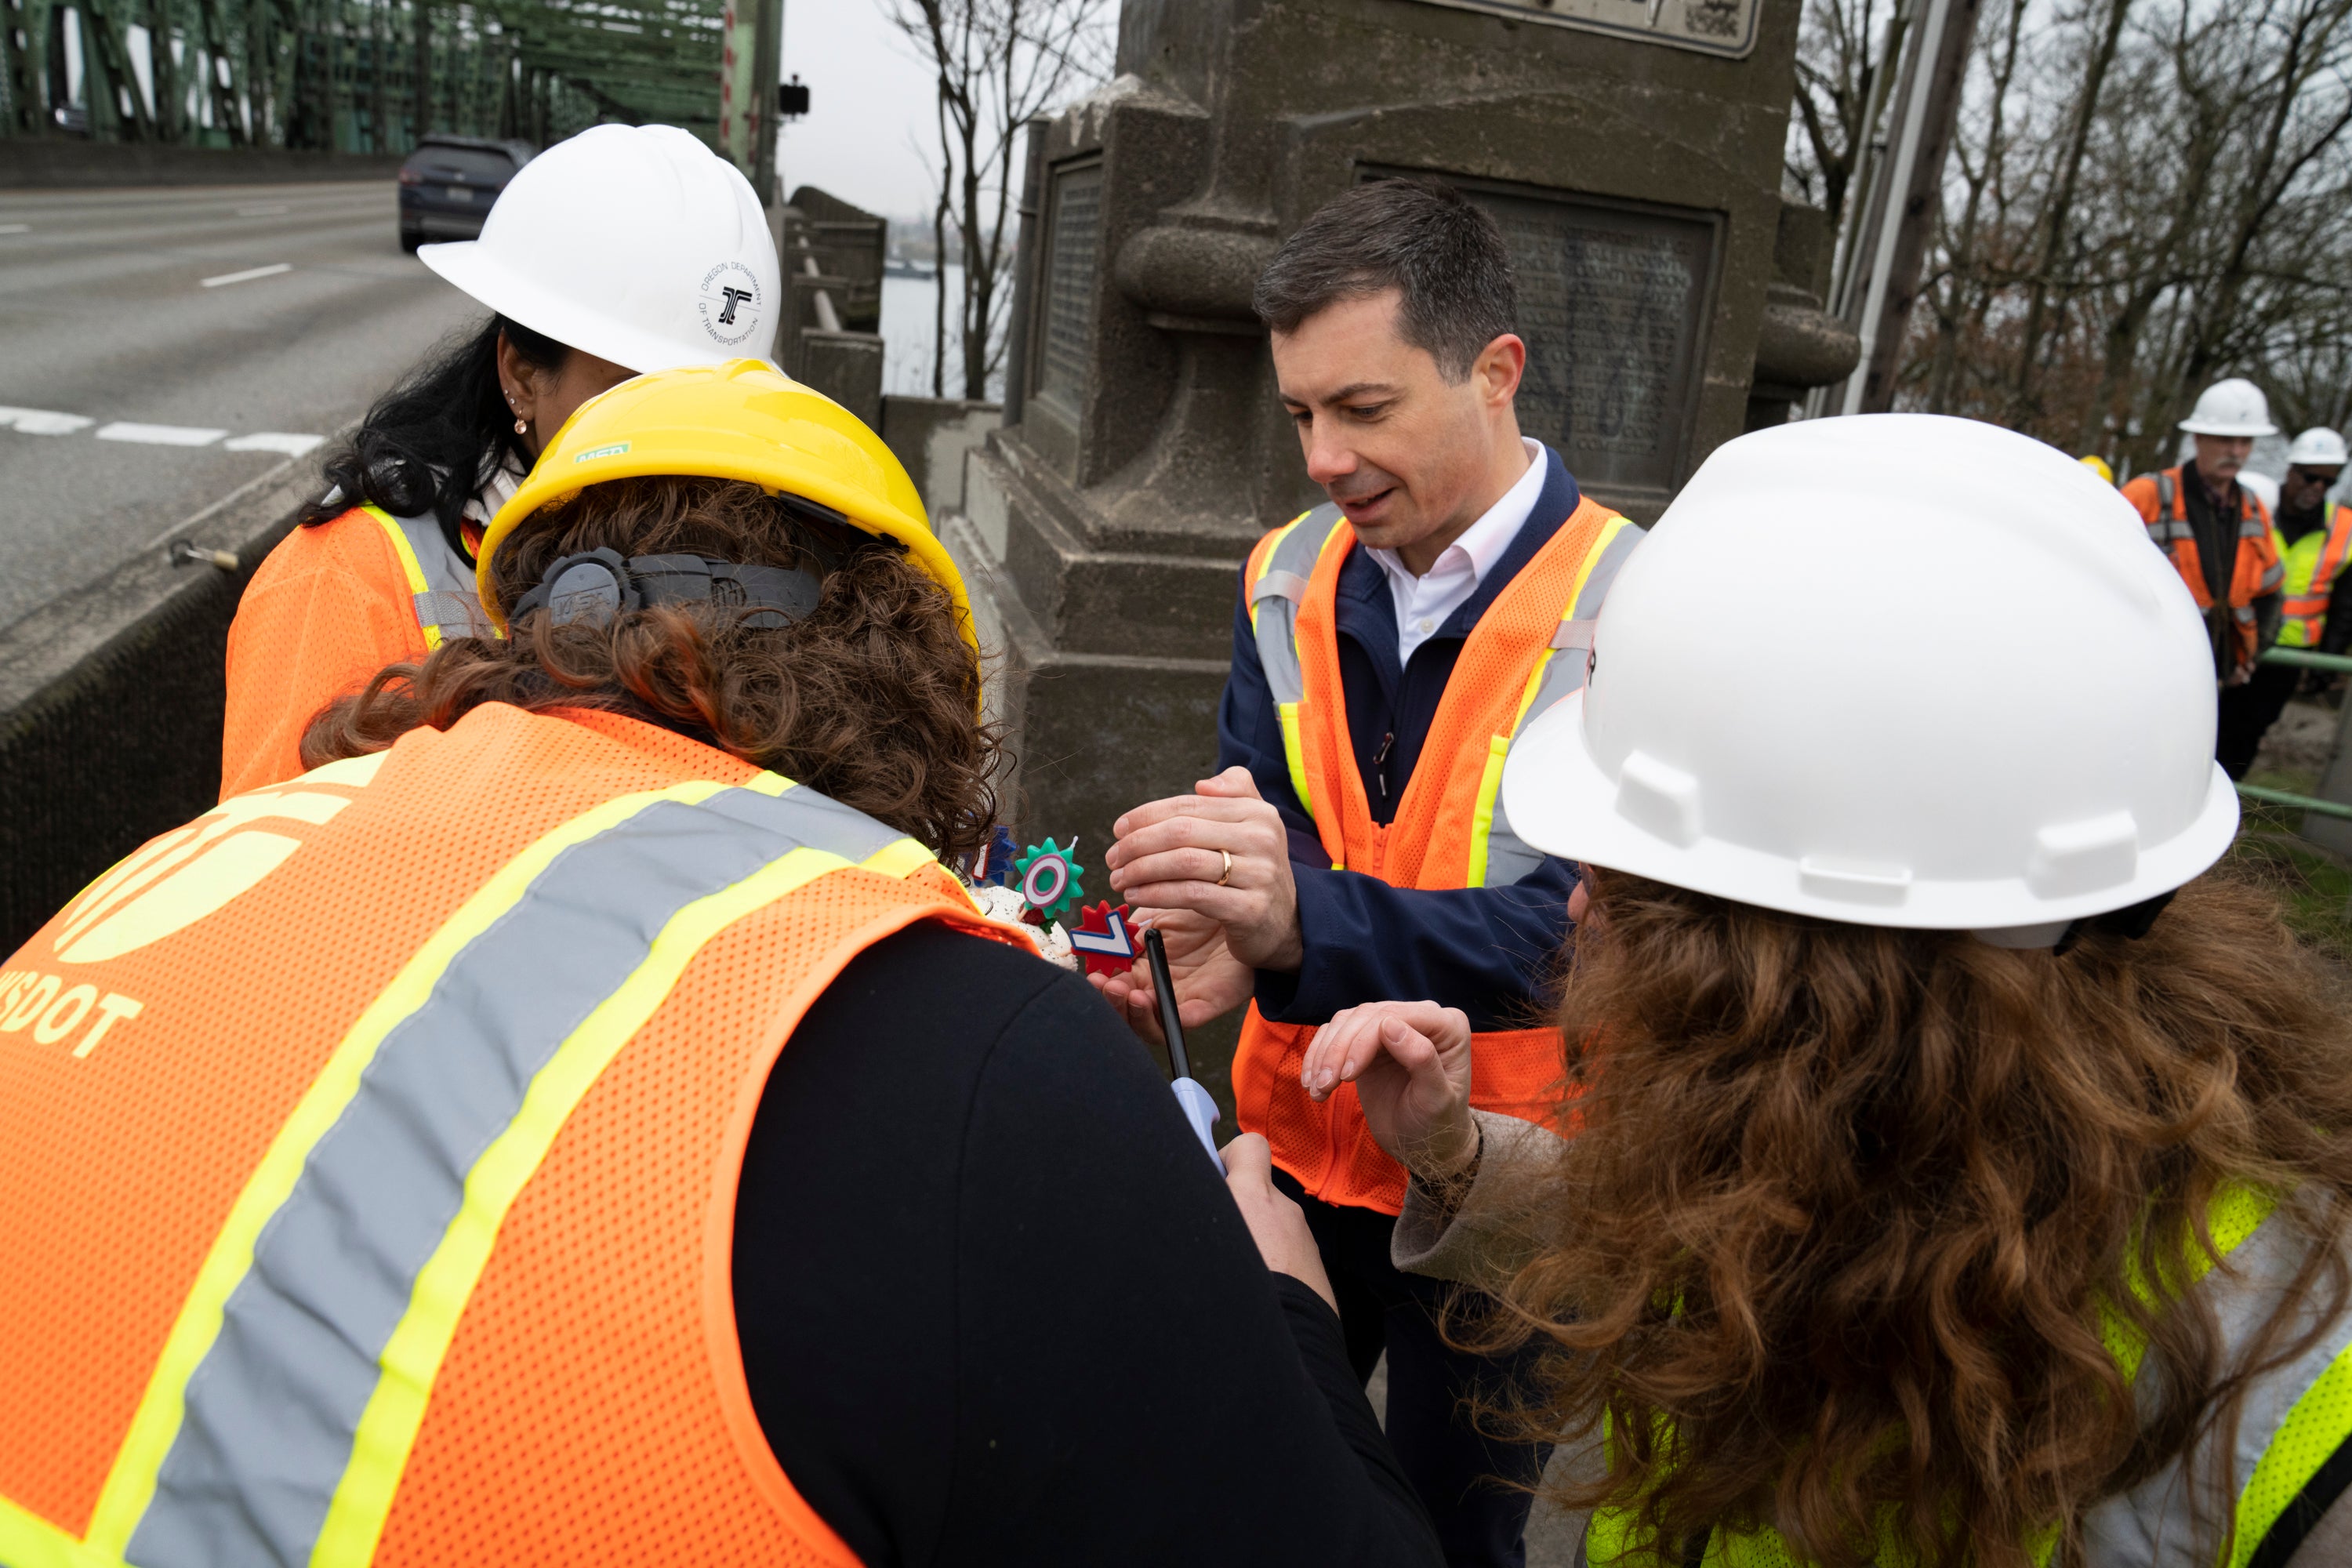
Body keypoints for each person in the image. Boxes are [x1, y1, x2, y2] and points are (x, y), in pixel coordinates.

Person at [0, 362, 1444, 1568]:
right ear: (917, 672)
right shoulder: (985, 1061)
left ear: (528, 624)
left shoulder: (179, 866)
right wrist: (1292, 1316)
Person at [1269, 414, 2352, 1566]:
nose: (1577, 915)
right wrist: (1457, 1154)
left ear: (1811, 979)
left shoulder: (2293, 1410)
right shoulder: (1890, 1114)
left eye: (1631, 892)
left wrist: (1297, 1348)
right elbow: (1739, 1228)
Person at [1097, 176, 1639, 1567]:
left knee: (1466, 1527)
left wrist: (1297, 924)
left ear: (1496, 370)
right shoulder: (1283, 571)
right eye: (1300, 415)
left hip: (1502, 1176)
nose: (1325, 457)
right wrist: (1223, 913)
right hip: (1296, 1133)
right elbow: (1270, 814)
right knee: (1255, 1490)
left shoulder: (1631, 610)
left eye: (1365, 407)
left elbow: (1580, 938)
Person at [218, 122, 781, 799]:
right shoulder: (342, 582)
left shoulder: (761, 565)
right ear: (520, 374)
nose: (676, 440)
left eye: (710, 405)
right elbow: (271, 869)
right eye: (629, 393)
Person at [2121, 377, 2285, 779]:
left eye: (2245, 442)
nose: (2236, 451)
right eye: (2225, 440)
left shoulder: (2251, 507)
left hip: (2220, 679)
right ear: (2197, 437)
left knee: (2207, 775)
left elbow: (2270, 589)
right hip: (2153, 678)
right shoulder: (2148, 494)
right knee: (2145, 770)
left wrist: (2251, 655)